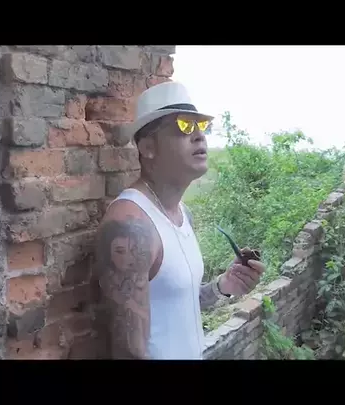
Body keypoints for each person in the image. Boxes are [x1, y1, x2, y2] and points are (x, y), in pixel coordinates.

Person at [95, 81, 266, 360]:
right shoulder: (131, 226)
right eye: (185, 126)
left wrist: (225, 285)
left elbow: (178, 303)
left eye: (201, 126)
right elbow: (128, 351)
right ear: (148, 147)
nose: (199, 136)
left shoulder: (183, 214)